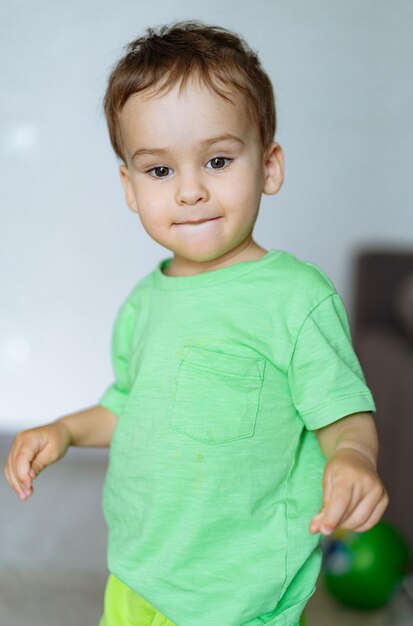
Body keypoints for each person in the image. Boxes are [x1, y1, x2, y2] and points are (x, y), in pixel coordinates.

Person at [4, 20, 389, 626]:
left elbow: (342, 414)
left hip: (237, 594)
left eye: (216, 160)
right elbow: (129, 405)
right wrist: (66, 431)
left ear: (268, 165)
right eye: (160, 171)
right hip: (140, 571)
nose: (189, 191)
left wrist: (354, 459)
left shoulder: (294, 297)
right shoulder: (145, 301)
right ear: (129, 187)